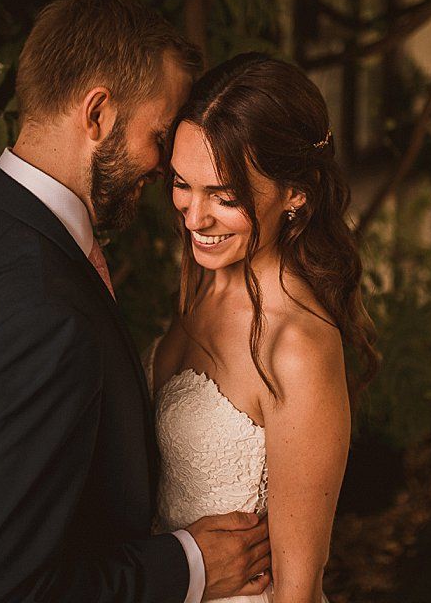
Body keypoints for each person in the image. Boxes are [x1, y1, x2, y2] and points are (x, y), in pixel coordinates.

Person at [0, 0, 272, 602]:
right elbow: (4, 591)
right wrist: (189, 565)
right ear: (97, 114)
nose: (165, 165)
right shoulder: (44, 310)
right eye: (160, 135)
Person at [147, 53, 379, 603]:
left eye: (225, 197)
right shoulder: (206, 280)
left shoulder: (296, 346)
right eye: (182, 184)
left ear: (296, 193)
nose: (194, 217)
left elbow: (298, 588)